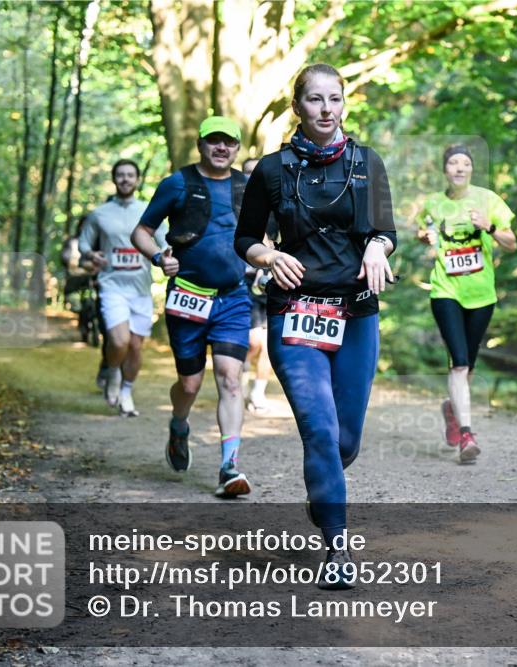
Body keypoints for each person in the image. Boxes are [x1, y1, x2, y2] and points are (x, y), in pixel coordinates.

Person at [236, 63, 396, 589]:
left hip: (355, 315)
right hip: (295, 312)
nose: (326, 109)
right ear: (297, 107)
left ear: (344, 104)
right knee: (321, 432)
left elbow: (385, 231)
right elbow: (246, 238)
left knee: (346, 440)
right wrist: (266, 257)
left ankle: (322, 486)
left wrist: (376, 246)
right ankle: (337, 546)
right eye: (314, 100)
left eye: (334, 99)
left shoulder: (367, 163)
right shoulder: (272, 170)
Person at [132, 116, 253, 498]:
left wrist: (268, 262)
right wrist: (157, 259)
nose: (221, 148)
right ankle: (179, 424)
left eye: (229, 143)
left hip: (233, 297)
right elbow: (141, 231)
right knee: (190, 383)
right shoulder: (178, 183)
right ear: (200, 145)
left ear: (237, 148)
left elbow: (263, 233)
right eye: (213, 141)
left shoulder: (246, 187)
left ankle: (228, 466)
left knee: (230, 379)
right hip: (187, 296)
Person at [416, 144, 516, 463]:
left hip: (482, 294)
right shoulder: (433, 203)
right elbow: (423, 229)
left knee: (468, 367)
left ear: (472, 170)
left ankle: (451, 408)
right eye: (453, 163)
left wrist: (490, 226)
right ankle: (467, 434)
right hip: (445, 290)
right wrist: (424, 237)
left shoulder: (488, 200)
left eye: (466, 163)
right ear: (445, 170)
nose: (460, 168)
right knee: (458, 363)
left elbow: (511, 243)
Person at [79, 159, 164, 417]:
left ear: (137, 179)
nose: (125, 179)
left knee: (136, 347)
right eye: (120, 175)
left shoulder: (149, 211)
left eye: (130, 175)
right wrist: (92, 256)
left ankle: (127, 390)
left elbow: (164, 242)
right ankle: (113, 372)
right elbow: (83, 246)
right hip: (111, 286)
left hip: (140, 288)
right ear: (114, 179)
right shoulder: (99, 213)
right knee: (118, 340)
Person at [240, 156, 275, 413]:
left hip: (272, 282)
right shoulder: (234, 207)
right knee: (253, 342)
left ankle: (258, 392)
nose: (251, 177)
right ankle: (238, 379)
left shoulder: (277, 207)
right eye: (247, 173)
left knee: (269, 343)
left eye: (256, 173)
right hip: (243, 283)